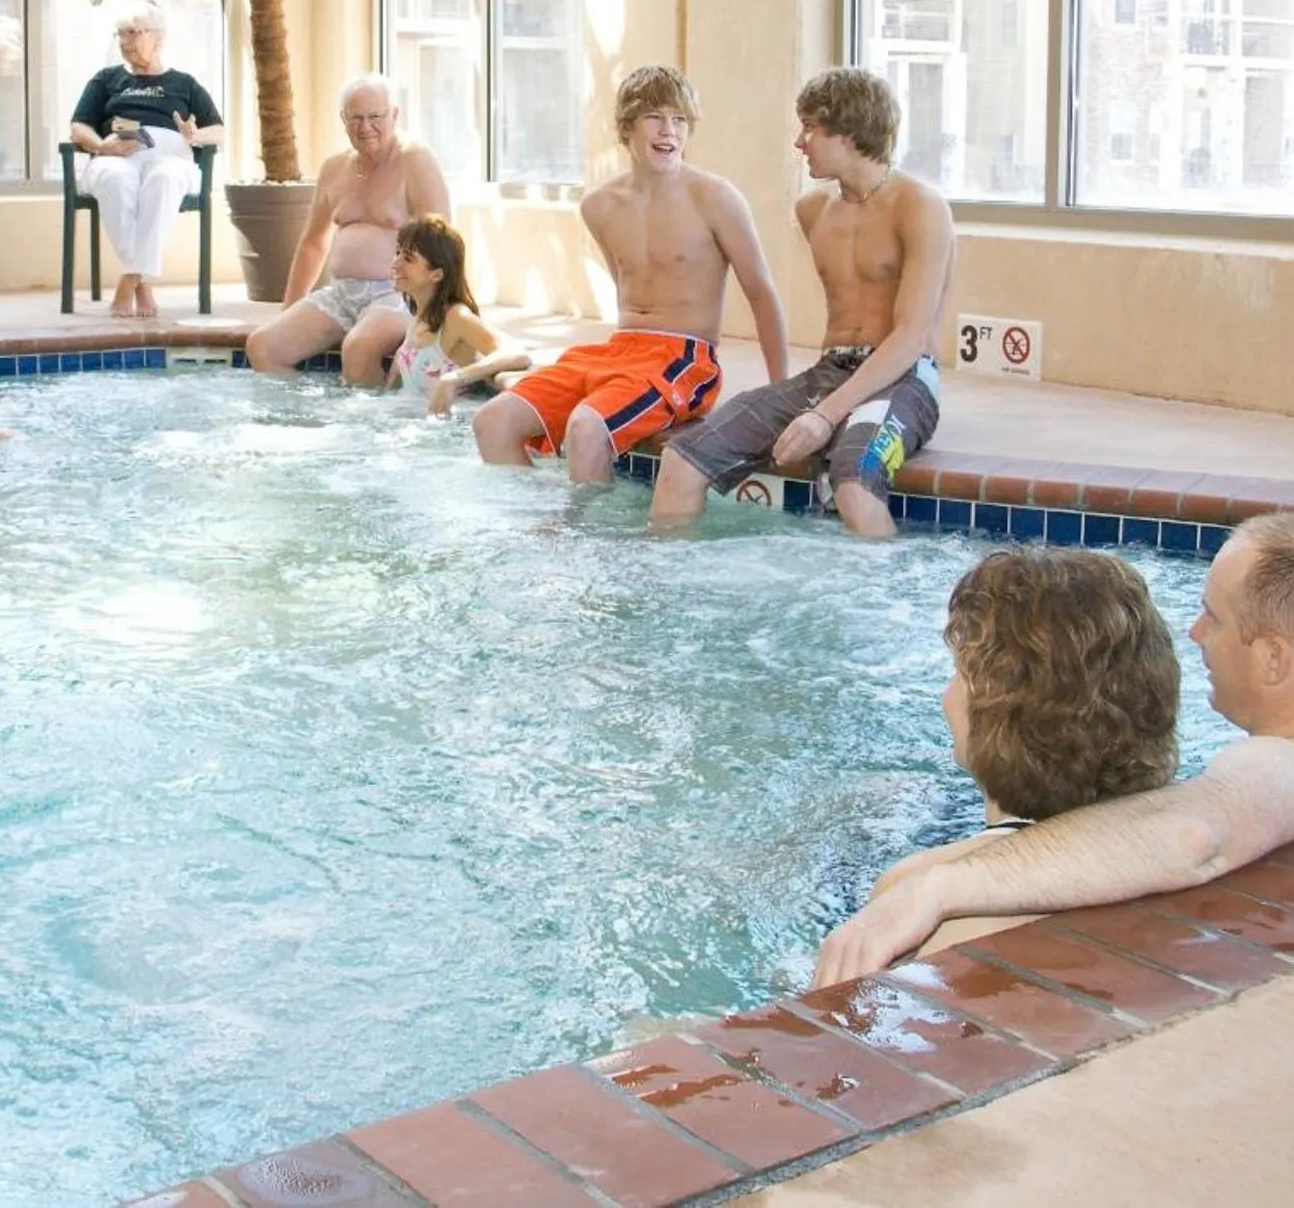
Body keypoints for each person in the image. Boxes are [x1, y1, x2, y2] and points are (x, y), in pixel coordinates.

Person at [811, 511, 1294, 989]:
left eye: (1213, 616)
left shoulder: (1284, 765)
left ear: (1274, 658)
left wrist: (934, 888)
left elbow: (1189, 837)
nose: (1195, 633)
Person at [647, 68, 953, 537]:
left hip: (906, 378)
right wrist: (810, 403)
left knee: (854, 485)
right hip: (828, 373)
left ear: (848, 132)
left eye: (810, 127)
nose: (799, 142)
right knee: (680, 460)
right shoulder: (813, 211)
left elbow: (911, 337)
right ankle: (666, 578)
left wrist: (826, 415)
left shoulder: (919, 206)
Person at [857, 547, 1180, 959]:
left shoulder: (918, 898)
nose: (947, 696)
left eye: (960, 673)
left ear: (997, 708)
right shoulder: (1180, 834)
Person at [474, 65, 788, 485]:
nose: (669, 130)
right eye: (654, 117)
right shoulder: (600, 206)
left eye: (680, 119)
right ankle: (535, 519)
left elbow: (762, 293)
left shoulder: (715, 198)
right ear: (626, 128)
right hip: (620, 350)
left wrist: (780, 396)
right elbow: (626, 287)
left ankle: (585, 529)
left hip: (683, 358)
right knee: (492, 421)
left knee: (587, 427)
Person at [245, 76, 450, 385]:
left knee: (357, 348)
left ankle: (371, 417)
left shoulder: (415, 160)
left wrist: (434, 315)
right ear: (343, 119)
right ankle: (304, 412)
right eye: (356, 118)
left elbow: (443, 242)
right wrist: (289, 310)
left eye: (375, 116)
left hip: (396, 294)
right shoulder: (334, 168)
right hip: (340, 294)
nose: (365, 127)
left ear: (395, 115)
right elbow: (312, 244)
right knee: (262, 346)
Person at [69, 0, 226, 319]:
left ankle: (130, 279)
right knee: (114, 180)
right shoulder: (106, 79)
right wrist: (101, 146)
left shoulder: (184, 83)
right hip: (117, 156)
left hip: (171, 159)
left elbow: (218, 131)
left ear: (158, 37)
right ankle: (141, 282)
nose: (124, 41)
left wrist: (194, 135)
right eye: (121, 34)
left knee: (164, 179)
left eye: (133, 32)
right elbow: (78, 127)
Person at [388, 215, 531, 415]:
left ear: (436, 274)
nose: (395, 264)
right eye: (397, 253)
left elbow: (516, 353)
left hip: (450, 425)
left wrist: (454, 378)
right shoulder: (420, 314)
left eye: (408, 258)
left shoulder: (455, 317)